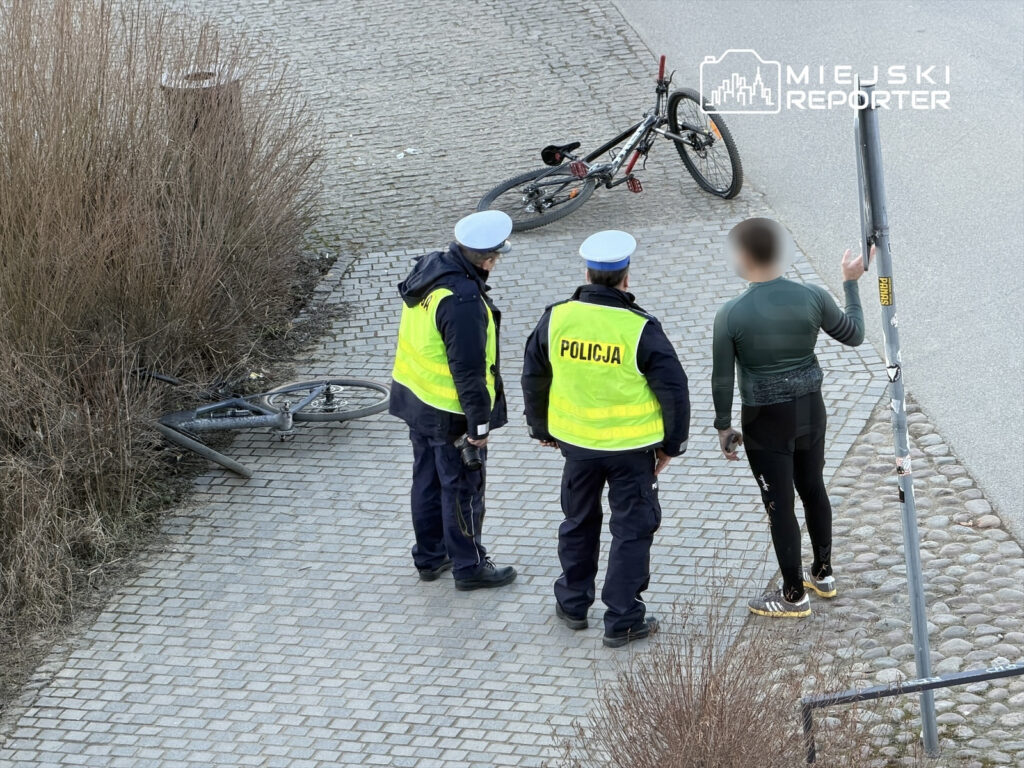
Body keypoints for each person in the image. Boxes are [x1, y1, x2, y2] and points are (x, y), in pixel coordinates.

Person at [522, 230, 690, 648]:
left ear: (587, 273)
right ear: (626, 278)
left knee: (578, 521)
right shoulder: (639, 329)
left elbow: (534, 374)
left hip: (576, 445)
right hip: (632, 451)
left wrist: (540, 427)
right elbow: (674, 388)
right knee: (632, 529)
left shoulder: (556, 317)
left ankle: (573, 603)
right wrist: (672, 444)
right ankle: (623, 618)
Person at [712, 217, 866, 618]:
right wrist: (850, 283)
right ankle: (824, 573)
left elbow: (722, 376)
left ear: (743, 258)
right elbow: (854, 334)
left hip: (765, 419)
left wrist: (724, 426)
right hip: (810, 411)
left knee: (779, 504)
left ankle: (793, 594)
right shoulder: (813, 296)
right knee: (813, 488)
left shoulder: (731, 314)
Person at [389, 210, 517, 591]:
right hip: (449, 413)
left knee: (426, 481)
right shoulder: (461, 299)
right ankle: (469, 565)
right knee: (461, 486)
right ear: (489, 260)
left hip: (416, 398)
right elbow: (469, 370)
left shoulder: (430, 269)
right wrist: (479, 425)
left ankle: (430, 557)